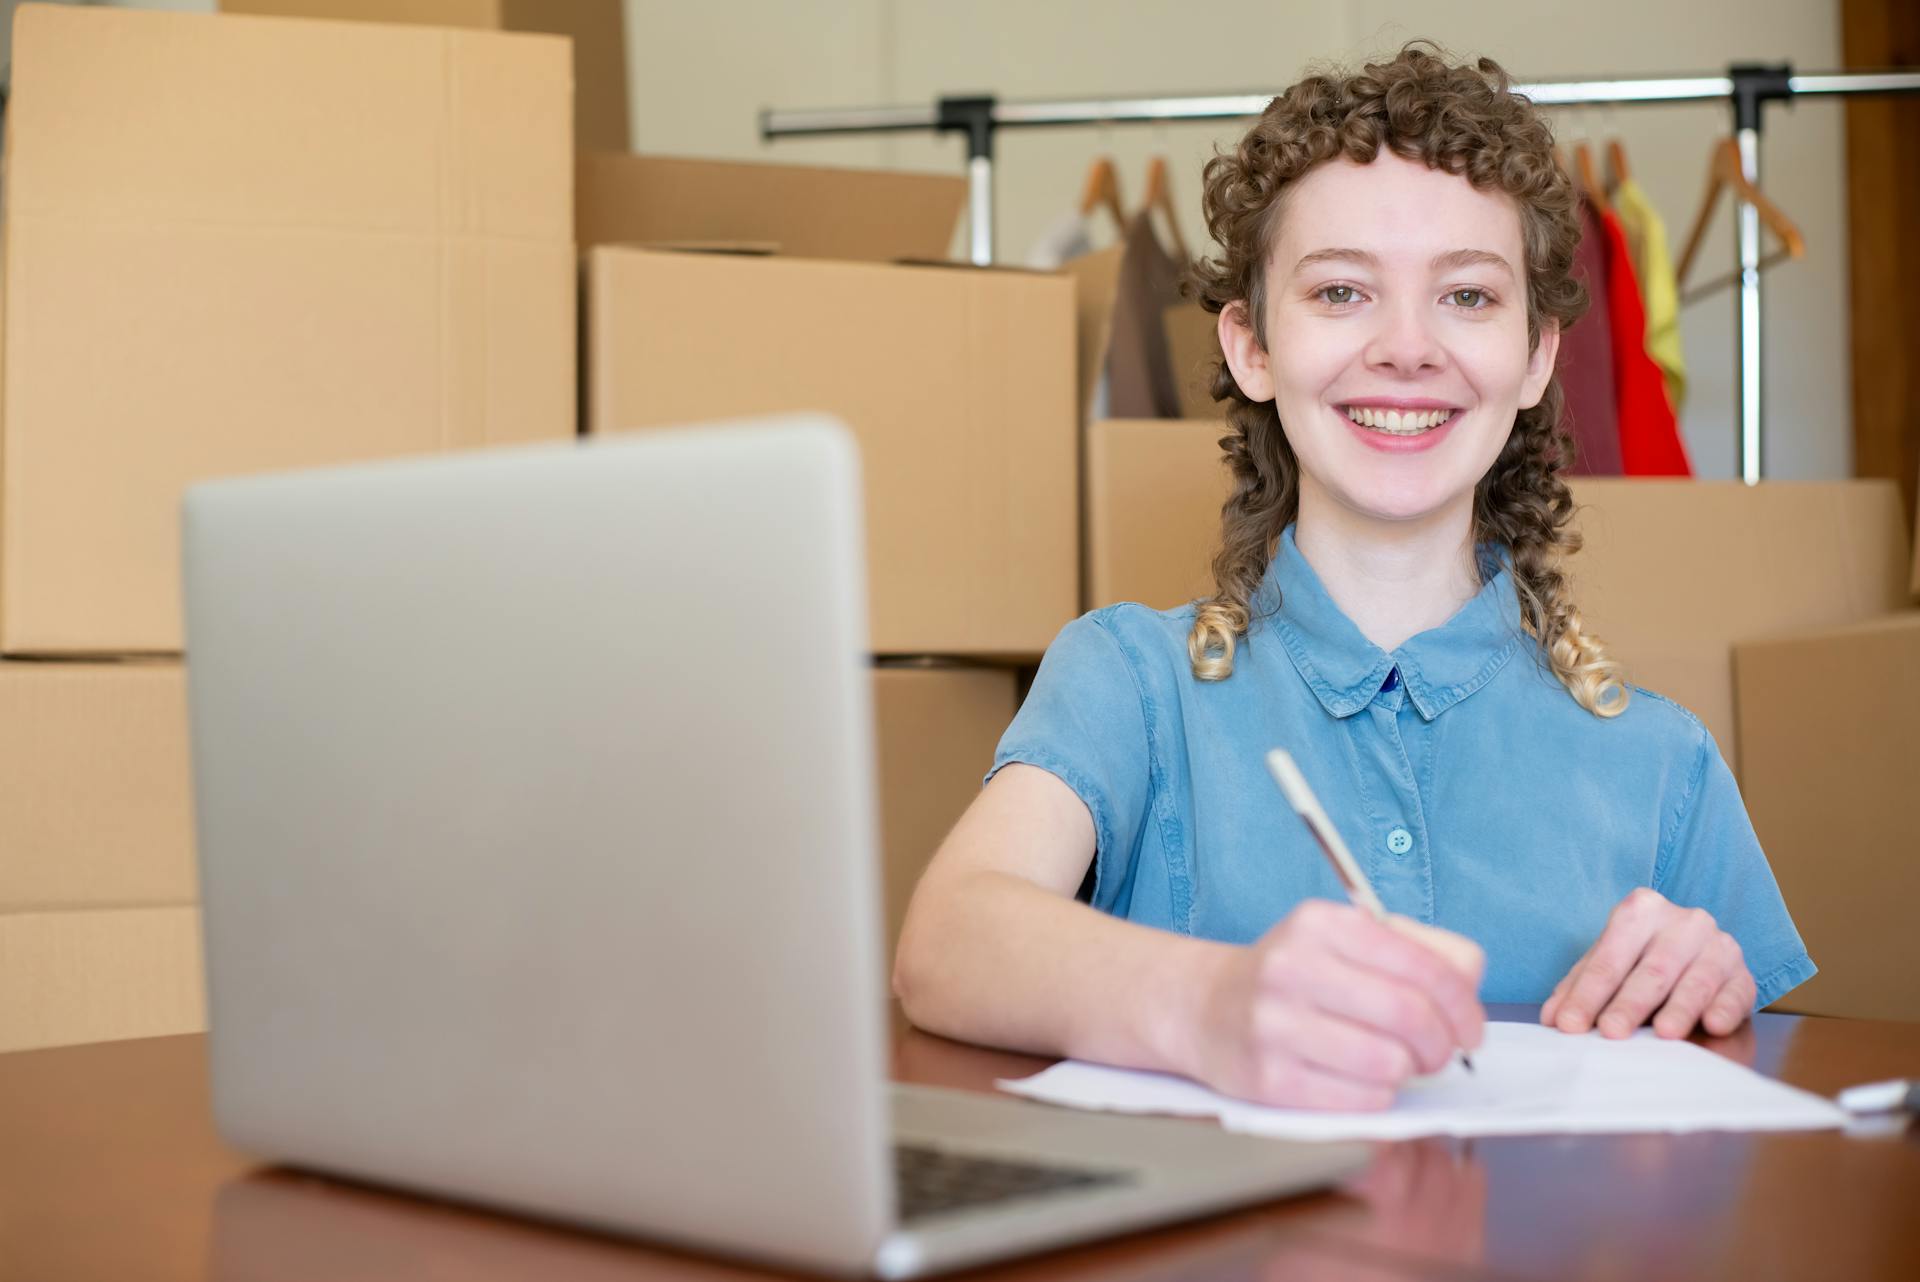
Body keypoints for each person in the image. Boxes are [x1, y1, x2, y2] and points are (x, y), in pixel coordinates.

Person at [892, 43, 1814, 1112]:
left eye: (1467, 297)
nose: (1407, 347)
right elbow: (947, 937)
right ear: (1252, 346)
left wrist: (1714, 986)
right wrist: (1214, 1003)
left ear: (1537, 356)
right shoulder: (1128, 680)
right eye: (1341, 291)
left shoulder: (1665, 763)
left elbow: (1760, 1098)